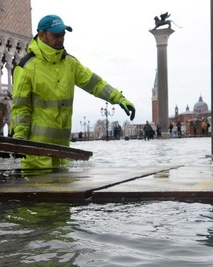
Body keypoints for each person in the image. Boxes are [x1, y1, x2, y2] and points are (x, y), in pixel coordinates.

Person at [11, 14, 135, 171]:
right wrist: (20, 138)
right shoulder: (27, 67)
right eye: (56, 35)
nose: (61, 38)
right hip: (36, 154)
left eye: (63, 34)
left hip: (63, 152)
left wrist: (119, 98)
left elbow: (95, 83)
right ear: (42, 35)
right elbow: (21, 108)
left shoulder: (70, 63)